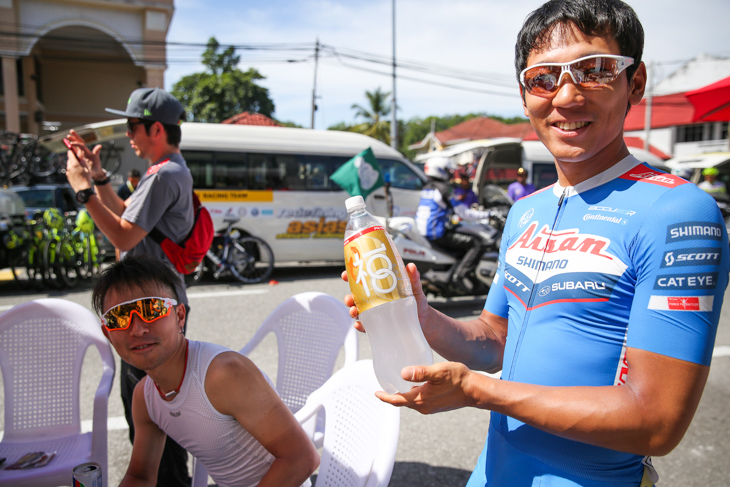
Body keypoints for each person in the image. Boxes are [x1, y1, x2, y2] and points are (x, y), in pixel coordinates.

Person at [344, 1, 730, 486]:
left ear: (636, 82)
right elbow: (496, 340)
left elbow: (656, 422)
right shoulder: (528, 210)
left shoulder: (678, 213)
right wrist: (421, 316)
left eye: (594, 70)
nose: (566, 96)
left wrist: (478, 392)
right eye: (543, 78)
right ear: (525, 96)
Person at [92, 256, 319, 487]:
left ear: (179, 316)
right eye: (119, 317)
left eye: (151, 310)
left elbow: (301, 458)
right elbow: (139, 476)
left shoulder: (224, 374)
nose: (137, 328)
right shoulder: (145, 397)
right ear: (107, 333)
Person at [65, 87, 195, 486]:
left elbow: (122, 237)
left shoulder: (165, 174)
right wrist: (100, 178)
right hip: (151, 308)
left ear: (156, 128)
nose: (129, 134)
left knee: (153, 411)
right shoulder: (165, 170)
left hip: (149, 313)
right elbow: (128, 216)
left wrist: (82, 189)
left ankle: (170, 482)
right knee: (152, 405)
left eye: (132, 126)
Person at [415, 157, 495, 294]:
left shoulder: (427, 187)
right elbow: (463, 213)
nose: (451, 174)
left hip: (425, 232)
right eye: (448, 170)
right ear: (440, 171)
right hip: (438, 233)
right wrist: (489, 214)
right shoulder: (445, 189)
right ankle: (460, 276)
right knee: (477, 243)